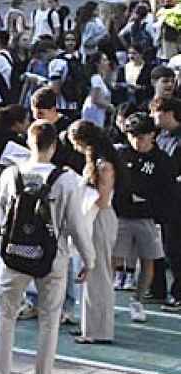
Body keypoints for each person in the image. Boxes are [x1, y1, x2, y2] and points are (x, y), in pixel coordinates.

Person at [0, 122, 94, 374]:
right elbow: (76, 224)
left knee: (5, 314)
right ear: (54, 146)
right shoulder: (66, 179)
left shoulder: (10, 175)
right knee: (50, 319)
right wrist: (88, 258)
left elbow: (2, 214)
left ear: (28, 143)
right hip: (52, 255)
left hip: (14, 252)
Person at [113, 113, 172, 316]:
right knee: (114, 258)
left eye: (141, 136)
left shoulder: (162, 160)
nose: (136, 140)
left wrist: (152, 204)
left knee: (149, 260)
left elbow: (168, 190)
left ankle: (138, 300)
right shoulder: (121, 155)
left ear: (152, 135)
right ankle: (108, 301)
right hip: (121, 215)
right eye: (132, 135)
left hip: (147, 217)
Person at [67, 122, 120, 344]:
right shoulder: (100, 163)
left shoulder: (103, 166)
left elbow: (103, 198)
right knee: (92, 273)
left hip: (99, 217)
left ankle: (98, 330)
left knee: (98, 274)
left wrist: (79, 188)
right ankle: (90, 326)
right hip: (96, 216)